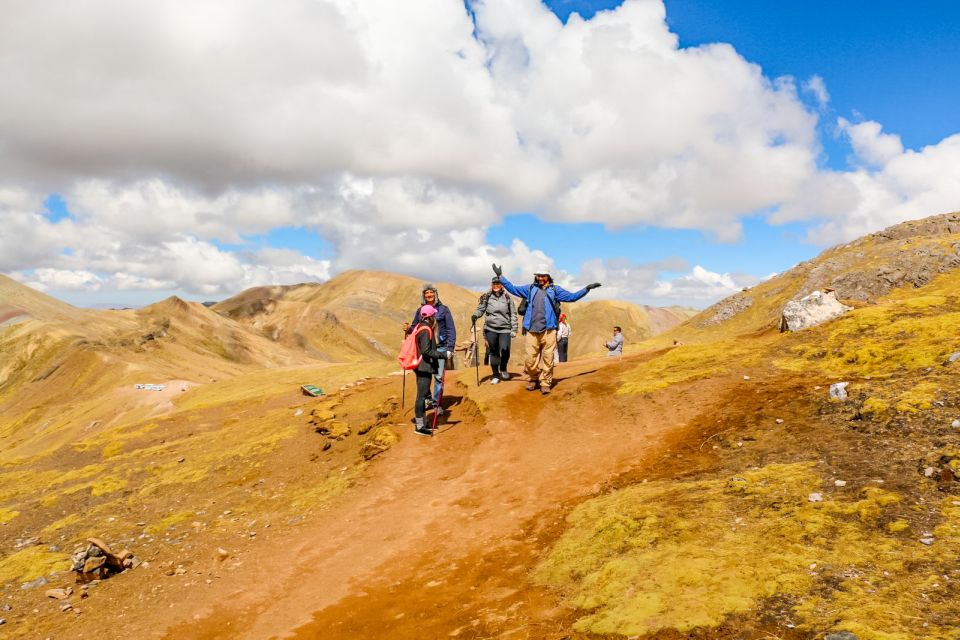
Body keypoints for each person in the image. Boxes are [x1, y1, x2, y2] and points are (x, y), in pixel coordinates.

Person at [492, 263, 600, 395]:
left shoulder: (555, 290)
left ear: (548, 276)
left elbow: (572, 297)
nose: (540, 278)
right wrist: (500, 276)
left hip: (549, 330)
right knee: (530, 359)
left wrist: (586, 289)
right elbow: (513, 288)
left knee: (548, 358)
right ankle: (534, 377)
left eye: (542, 276)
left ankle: (545, 383)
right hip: (531, 329)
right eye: (538, 275)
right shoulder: (530, 289)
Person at [403, 283, 457, 412]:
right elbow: (416, 328)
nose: (429, 295)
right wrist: (408, 329)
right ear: (424, 295)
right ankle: (427, 398)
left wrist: (450, 346)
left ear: (436, 294)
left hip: (441, 347)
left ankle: (437, 404)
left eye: (431, 292)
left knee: (439, 377)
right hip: (425, 348)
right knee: (425, 374)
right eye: (426, 293)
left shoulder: (444, 309)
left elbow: (451, 329)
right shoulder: (419, 311)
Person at [471, 276, 518, 384]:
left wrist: (514, 329)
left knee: (505, 351)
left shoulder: (507, 297)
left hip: (505, 329)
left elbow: (513, 314)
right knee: (494, 352)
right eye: (494, 284)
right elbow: (480, 309)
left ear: (502, 285)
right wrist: (475, 315)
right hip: (490, 329)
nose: (496, 285)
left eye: (498, 283)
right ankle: (495, 375)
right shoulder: (487, 297)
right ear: (491, 285)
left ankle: (503, 368)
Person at [412, 305, 441, 436]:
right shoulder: (426, 329)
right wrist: (443, 355)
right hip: (424, 366)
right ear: (430, 316)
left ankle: (423, 423)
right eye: (434, 315)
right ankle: (419, 427)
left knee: (422, 396)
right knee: (421, 396)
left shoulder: (420, 326)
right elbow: (426, 351)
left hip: (421, 366)